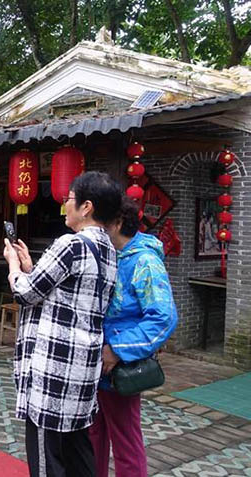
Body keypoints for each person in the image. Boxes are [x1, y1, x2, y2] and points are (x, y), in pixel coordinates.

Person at [3, 171, 122, 477]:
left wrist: (15, 267)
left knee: (47, 460)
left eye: (69, 198)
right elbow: (69, 296)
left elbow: (26, 293)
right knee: (78, 452)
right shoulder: (108, 250)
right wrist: (32, 266)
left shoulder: (71, 244)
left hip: (53, 370)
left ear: (87, 207)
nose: (65, 205)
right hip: (81, 370)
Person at [89, 196, 178, 477]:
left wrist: (117, 349)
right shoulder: (112, 255)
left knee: (125, 442)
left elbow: (164, 318)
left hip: (120, 366)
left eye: (102, 222)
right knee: (92, 437)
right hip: (97, 364)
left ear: (116, 223)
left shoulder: (145, 261)